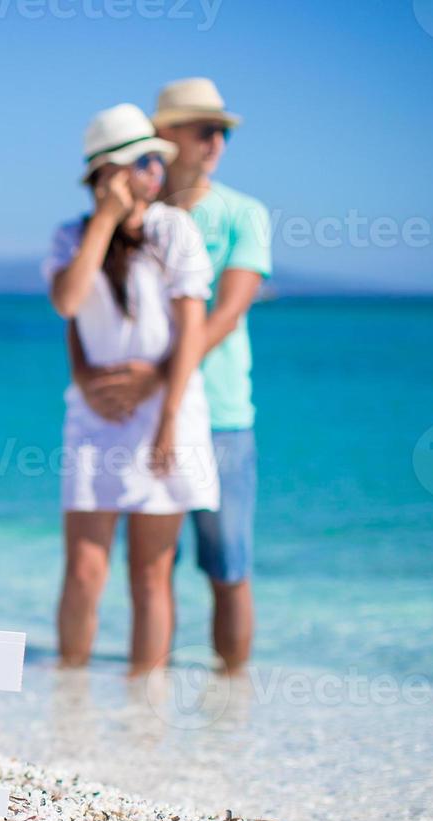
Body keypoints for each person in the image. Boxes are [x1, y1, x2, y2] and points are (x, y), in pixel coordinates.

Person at [44, 103, 219, 677]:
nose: (154, 174)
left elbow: (192, 328)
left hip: (166, 411)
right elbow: (69, 304)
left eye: (156, 162)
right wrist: (103, 221)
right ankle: (69, 698)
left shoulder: (173, 229)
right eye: (143, 162)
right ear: (108, 172)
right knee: (85, 568)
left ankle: (145, 713)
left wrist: (166, 413)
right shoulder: (71, 235)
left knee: (151, 572)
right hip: (96, 415)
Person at [153, 78, 272, 676]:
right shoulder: (140, 220)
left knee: (228, 566)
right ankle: (146, 709)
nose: (217, 142)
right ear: (164, 135)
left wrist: (156, 376)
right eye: (205, 129)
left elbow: (228, 312)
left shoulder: (244, 213)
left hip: (221, 415)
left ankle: (232, 712)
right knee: (153, 568)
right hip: (150, 419)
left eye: (222, 131)